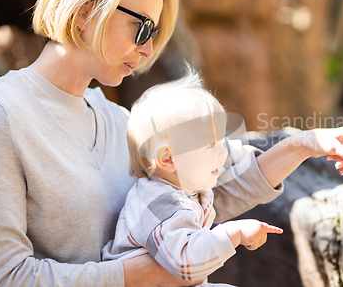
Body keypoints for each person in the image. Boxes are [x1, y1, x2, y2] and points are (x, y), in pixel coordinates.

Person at [0, 0, 343, 286]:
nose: (149, 47)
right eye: (142, 27)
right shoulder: (4, 115)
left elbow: (194, 206)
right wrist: (137, 276)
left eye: (155, 32)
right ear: (87, 12)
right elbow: (7, 277)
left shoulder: (118, 118)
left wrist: (303, 145)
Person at [102, 70, 284, 286]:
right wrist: (233, 232)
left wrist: (246, 151)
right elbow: (186, 262)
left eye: (220, 140)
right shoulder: (158, 205)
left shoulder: (180, 188)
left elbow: (229, 150)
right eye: (210, 144)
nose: (222, 152)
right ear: (167, 158)